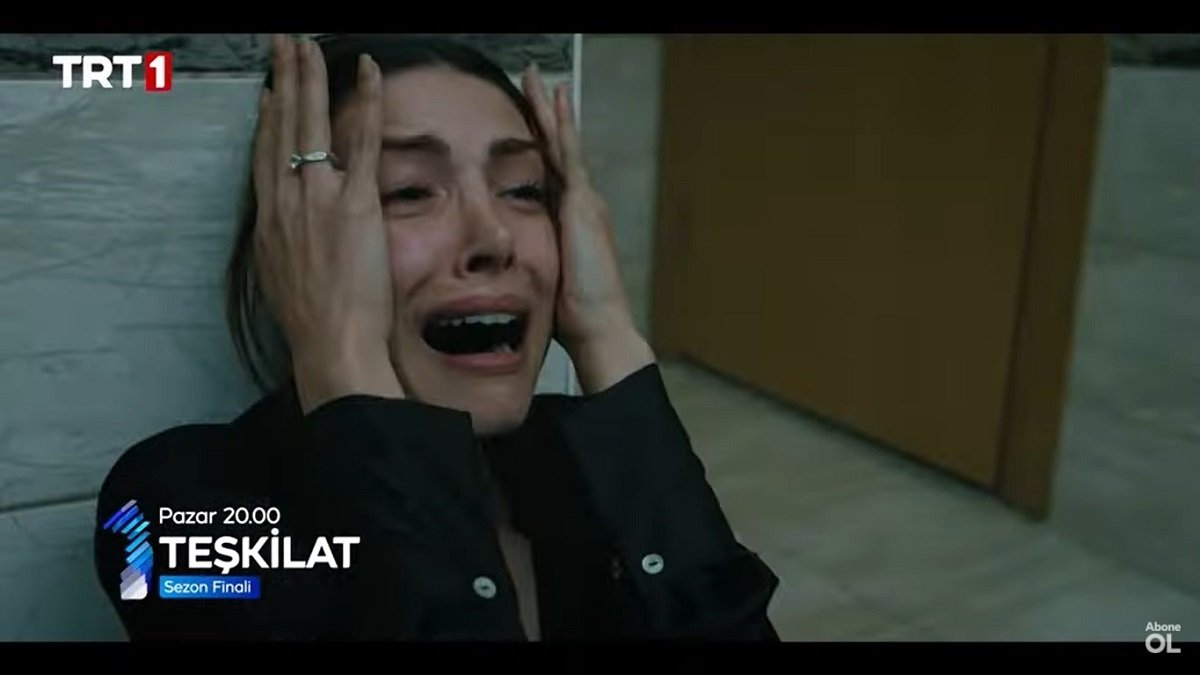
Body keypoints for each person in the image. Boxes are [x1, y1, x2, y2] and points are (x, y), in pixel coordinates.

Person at [93, 33, 780, 641]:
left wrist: (609, 333)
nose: (494, 237)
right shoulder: (170, 512)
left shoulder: (585, 467)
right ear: (296, 245)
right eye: (408, 191)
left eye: (525, 190)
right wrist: (344, 355)